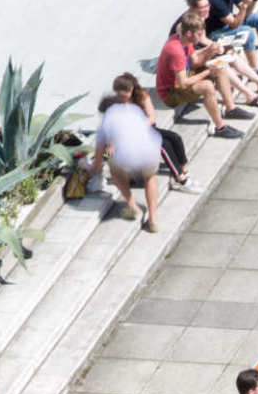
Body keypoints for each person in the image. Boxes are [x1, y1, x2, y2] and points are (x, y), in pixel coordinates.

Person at [102, 72, 201, 193]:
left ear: (132, 88)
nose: (124, 96)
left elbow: (151, 117)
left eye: (126, 93)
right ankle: (181, 180)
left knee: (175, 138)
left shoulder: (141, 95)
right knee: (163, 146)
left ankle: (183, 170)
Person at [94, 73, 166, 232]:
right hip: (150, 152)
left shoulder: (109, 117)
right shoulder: (134, 110)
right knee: (150, 178)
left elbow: (103, 151)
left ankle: (133, 206)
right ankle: (153, 218)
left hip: (127, 157)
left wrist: (96, 167)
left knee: (116, 173)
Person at [156, 16, 247, 139]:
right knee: (207, 87)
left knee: (220, 67)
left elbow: (193, 62)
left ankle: (231, 109)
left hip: (185, 78)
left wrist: (209, 50)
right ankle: (220, 127)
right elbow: (182, 83)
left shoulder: (184, 40)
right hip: (170, 93)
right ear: (189, 33)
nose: (201, 37)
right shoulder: (175, 50)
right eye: (199, 34)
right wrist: (208, 72)